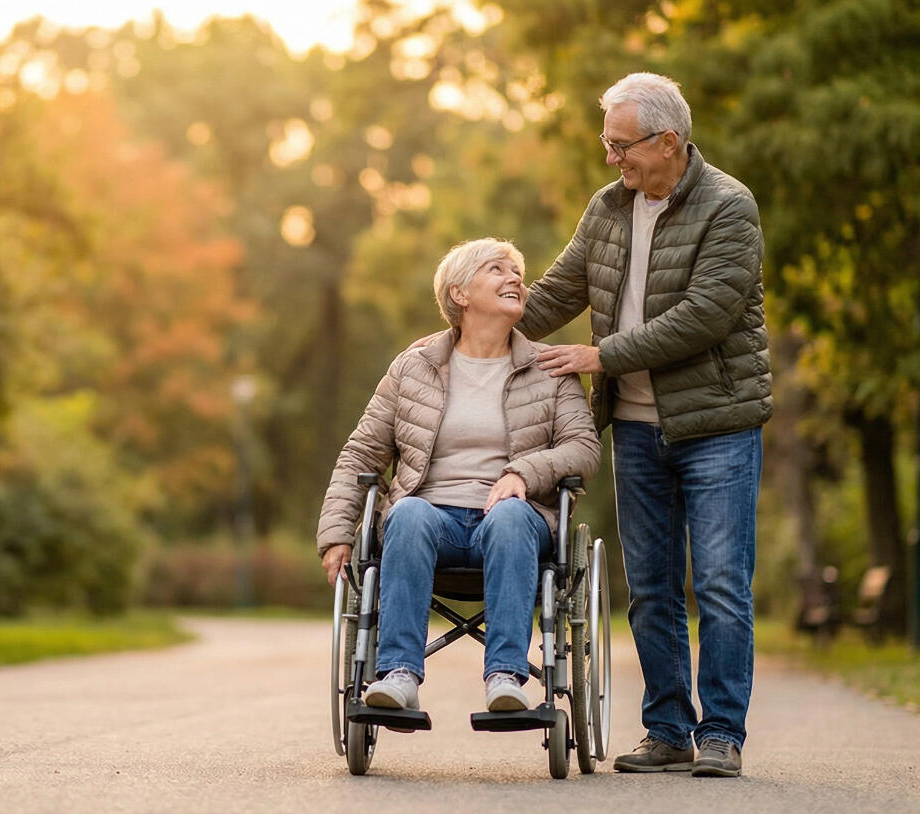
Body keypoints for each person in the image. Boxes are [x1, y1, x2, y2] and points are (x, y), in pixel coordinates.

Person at [519, 73, 771, 778]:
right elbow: (557, 292)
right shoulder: (607, 209)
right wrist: (472, 329)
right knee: (653, 587)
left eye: (621, 145)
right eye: (607, 144)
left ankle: (721, 732)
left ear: (669, 141)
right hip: (632, 427)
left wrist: (600, 355)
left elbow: (704, 317)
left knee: (721, 582)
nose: (612, 160)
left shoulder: (730, 207)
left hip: (716, 424)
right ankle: (667, 729)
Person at [317, 237, 599, 717]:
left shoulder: (550, 370)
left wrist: (522, 474)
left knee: (510, 517)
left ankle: (506, 677)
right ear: (459, 294)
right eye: (497, 269)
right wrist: (338, 533)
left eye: (516, 271)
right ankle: (398, 675)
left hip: (515, 521)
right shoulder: (414, 367)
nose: (515, 278)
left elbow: (585, 448)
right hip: (430, 521)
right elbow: (361, 453)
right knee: (404, 513)